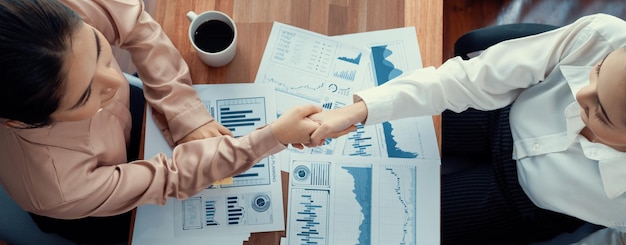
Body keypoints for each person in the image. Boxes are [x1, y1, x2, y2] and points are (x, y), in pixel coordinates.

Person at [0, 0, 320, 243]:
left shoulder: (39, 16)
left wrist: (187, 115)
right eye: (86, 95)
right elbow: (170, 178)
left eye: (98, 48)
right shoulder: (59, 188)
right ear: (16, 122)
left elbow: (135, 26)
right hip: (94, 208)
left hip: (124, 129)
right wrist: (273, 136)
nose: (115, 79)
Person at [309, 13, 626, 245]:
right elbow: (466, 81)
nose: (580, 93)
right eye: (597, 71)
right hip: (498, 114)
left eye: (600, 112)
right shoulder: (604, 36)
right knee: (378, 134)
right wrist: (358, 110)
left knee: (381, 225)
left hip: (522, 205)